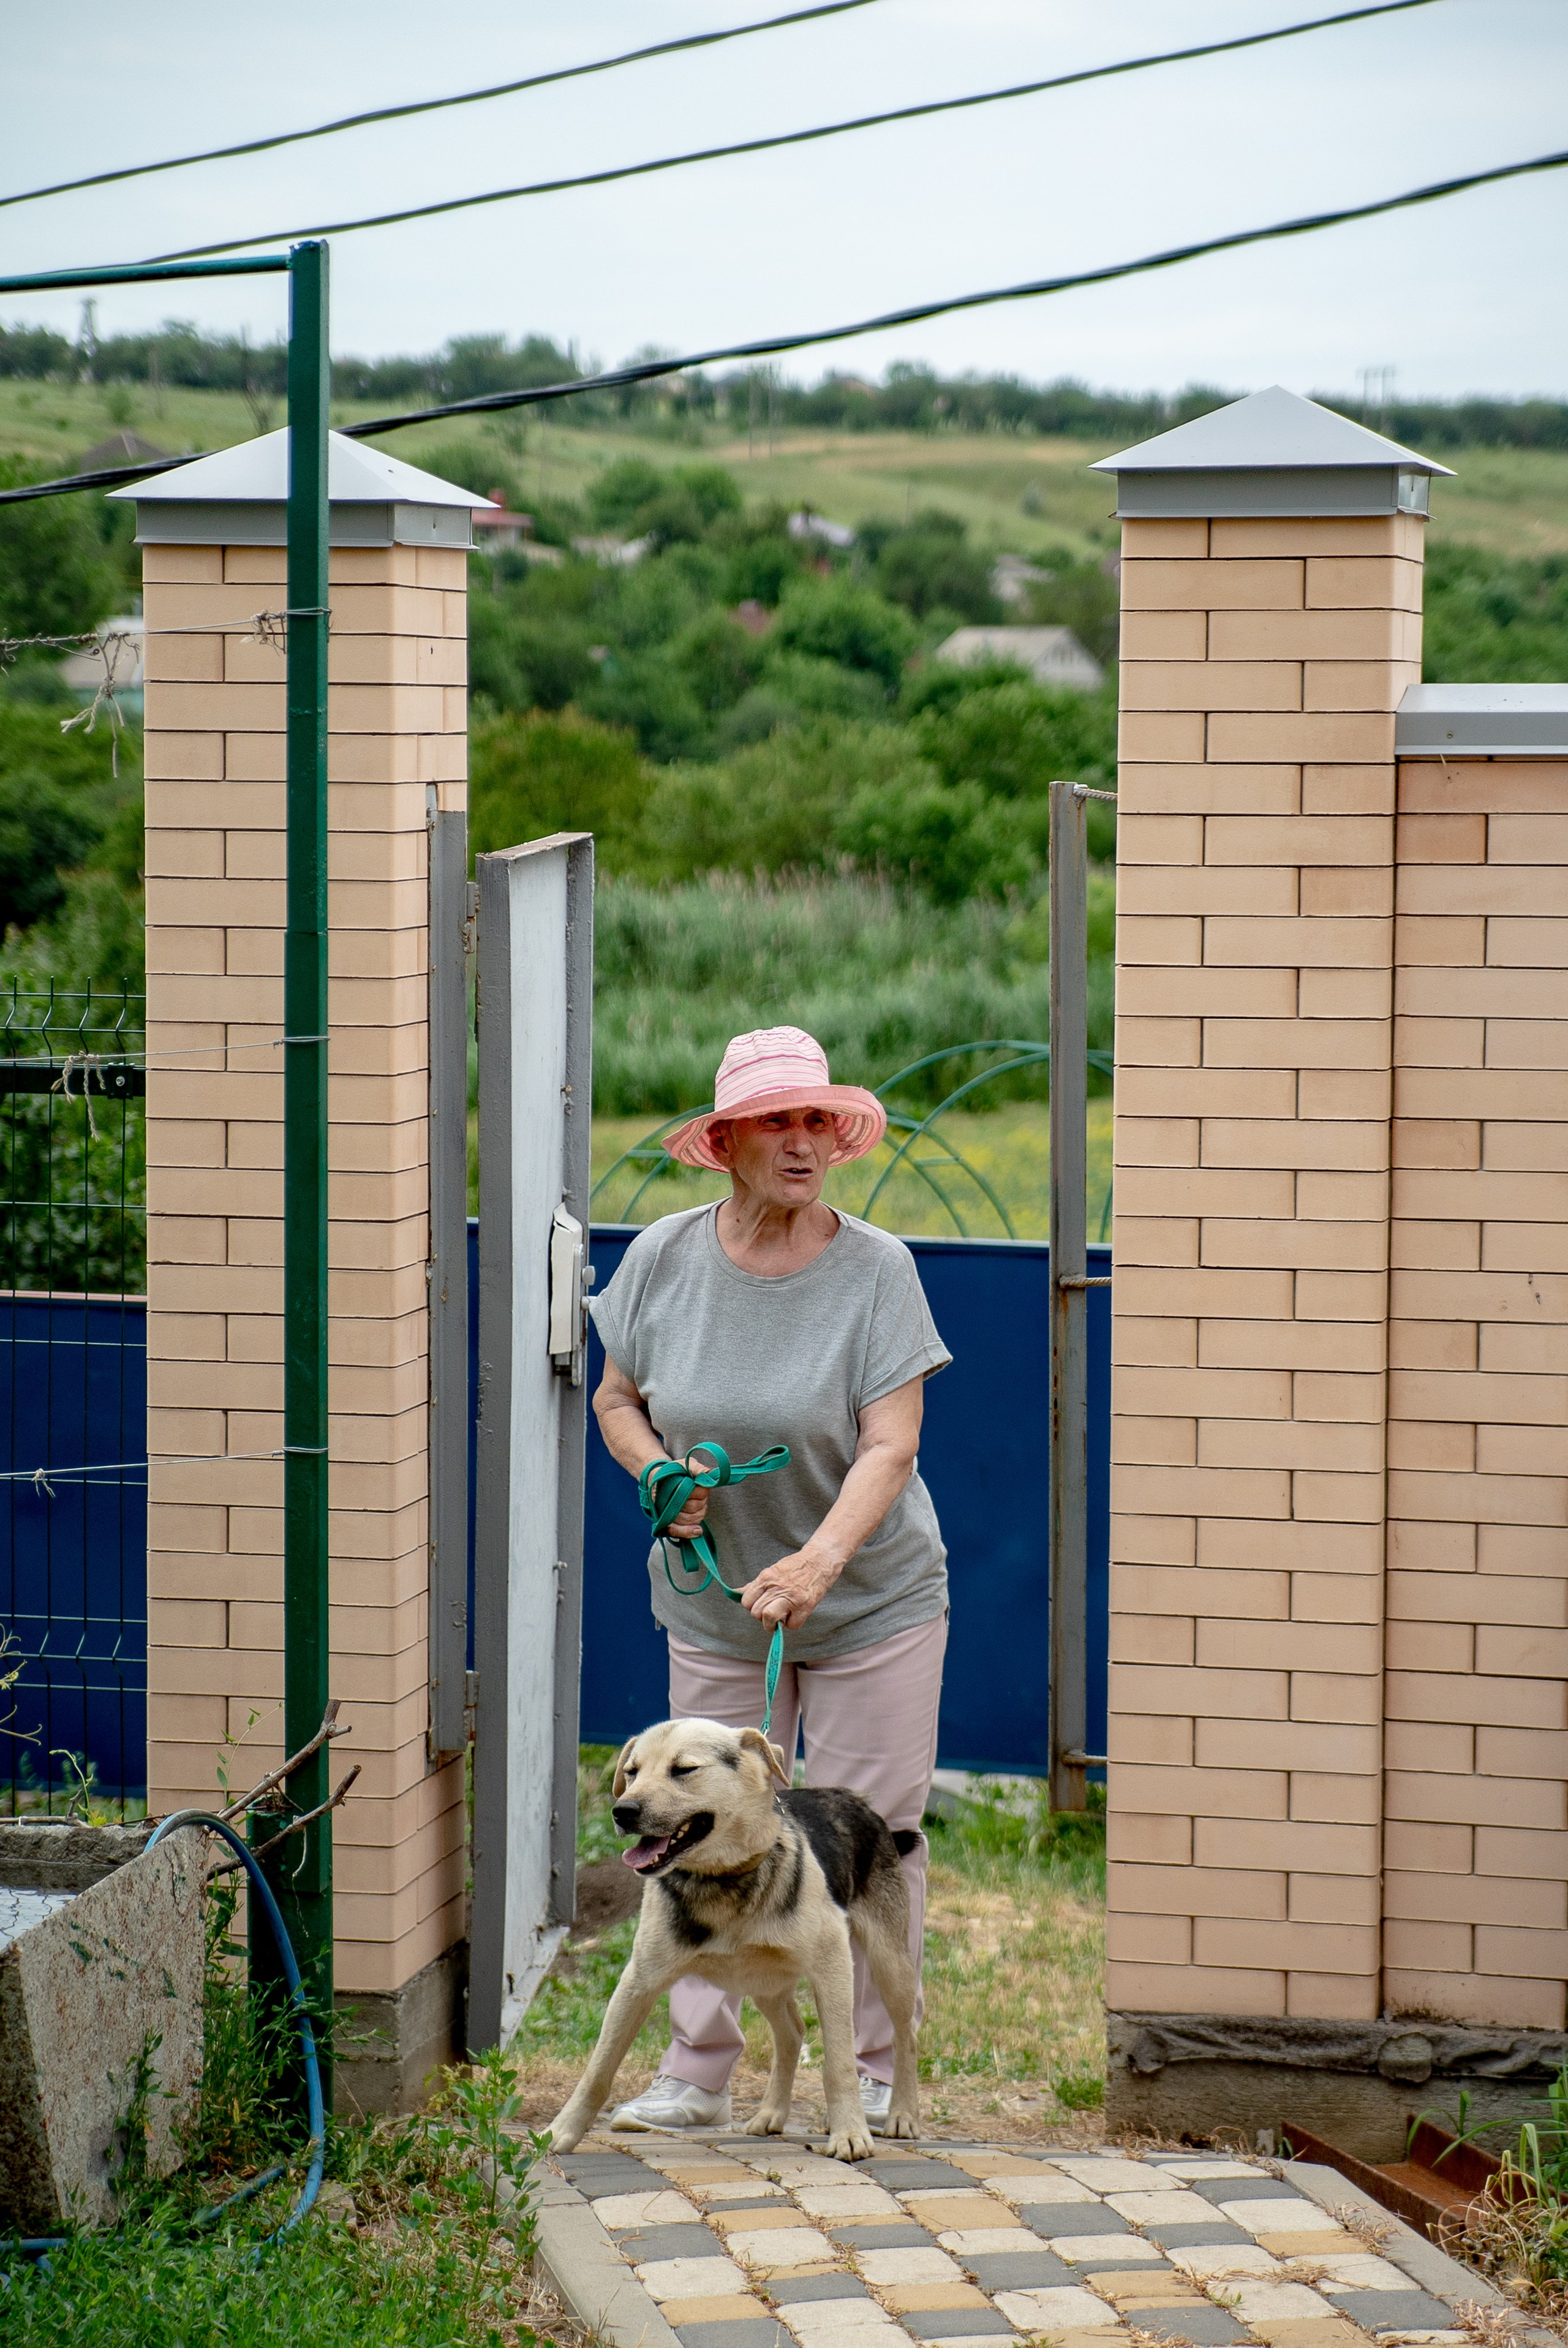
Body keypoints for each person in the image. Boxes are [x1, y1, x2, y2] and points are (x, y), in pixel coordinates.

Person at [587, 1024, 952, 2134]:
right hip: (712, 1602)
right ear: (728, 1139)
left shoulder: (878, 1269)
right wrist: (657, 1475)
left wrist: (817, 1560)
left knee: (869, 1833)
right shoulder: (662, 1257)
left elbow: (892, 1443)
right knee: (697, 1825)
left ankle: (876, 2062)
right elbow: (617, 1400)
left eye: (818, 1123)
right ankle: (698, 2067)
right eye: (779, 1122)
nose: (805, 1143)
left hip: (870, 1598)